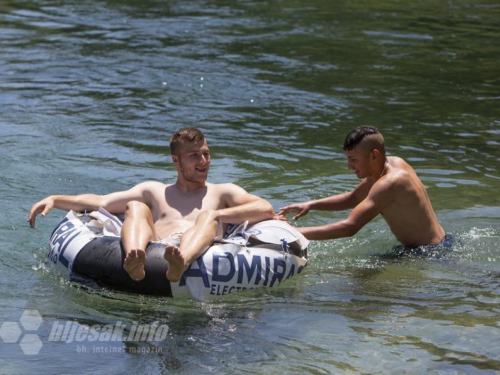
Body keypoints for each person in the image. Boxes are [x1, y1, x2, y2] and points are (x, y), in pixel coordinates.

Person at [28, 128, 274, 282]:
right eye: (195, 155)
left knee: (209, 216)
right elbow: (102, 202)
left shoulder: (223, 192)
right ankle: (134, 260)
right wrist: (55, 199)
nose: (203, 161)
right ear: (175, 161)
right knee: (135, 206)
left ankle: (181, 263)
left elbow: (264, 208)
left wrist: (218, 214)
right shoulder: (155, 190)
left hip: (195, 250)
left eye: (206, 154)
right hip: (158, 246)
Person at [277, 126, 454, 253]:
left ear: (374, 155)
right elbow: (353, 199)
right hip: (440, 243)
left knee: (361, 281)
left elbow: (349, 227)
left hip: (429, 254)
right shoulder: (392, 164)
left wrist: (290, 232)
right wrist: (310, 205)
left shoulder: (390, 182)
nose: (349, 166)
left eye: (353, 159)